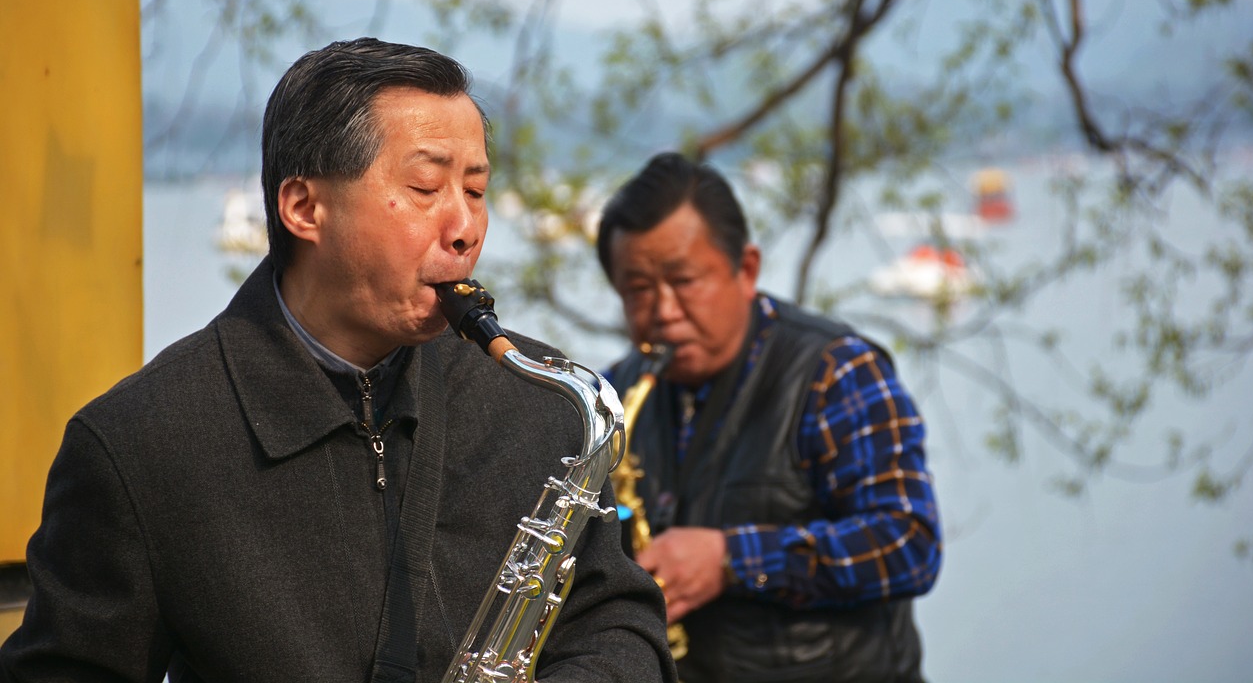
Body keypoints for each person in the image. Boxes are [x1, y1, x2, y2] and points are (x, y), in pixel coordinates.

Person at [1, 38, 676, 683]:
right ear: (303, 207)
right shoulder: (141, 444)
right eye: (424, 188)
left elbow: (618, 622)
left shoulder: (539, 404)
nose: (465, 228)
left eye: (474, 191)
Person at [599, 152, 943, 683]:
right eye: (639, 290)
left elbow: (909, 542)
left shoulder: (835, 372)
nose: (664, 311)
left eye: (685, 280)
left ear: (747, 270)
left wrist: (731, 558)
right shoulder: (614, 394)